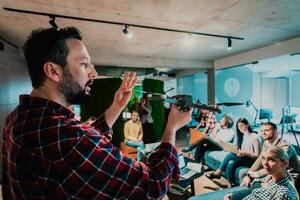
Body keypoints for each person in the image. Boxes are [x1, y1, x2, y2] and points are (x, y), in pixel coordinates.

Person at [2, 27, 193, 199]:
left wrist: (117, 106)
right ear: (53, 71)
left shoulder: (17, 118)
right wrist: (171, 129)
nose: (92, 72)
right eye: (84, 64)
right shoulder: (68, 137)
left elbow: (86, 141)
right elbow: (152, 186)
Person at [224, 145, 299, 200]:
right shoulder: (271, 176)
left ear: (285, 164)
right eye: (263, 158)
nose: (265, 163)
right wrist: (234, 195)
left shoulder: (284, 194)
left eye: (271, 160)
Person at [206, 118, 261, 186]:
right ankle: (229, 184)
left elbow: (257, 155)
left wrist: (245, 153)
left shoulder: (255, 137)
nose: (240, 128)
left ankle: (218, 172)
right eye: (238, 126)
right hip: (243, 158)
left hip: (251, 161)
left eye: (242, 125)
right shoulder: (242, 136)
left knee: (230, 155)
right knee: (231, 162)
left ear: (248, 125)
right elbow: (239, 149)